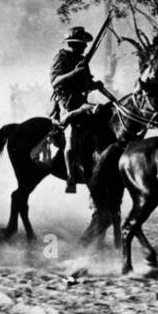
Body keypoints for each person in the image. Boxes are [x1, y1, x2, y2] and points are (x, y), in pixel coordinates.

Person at [50, 25, 101, 193]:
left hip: (81, 103)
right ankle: (71, 179)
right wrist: (74, 72)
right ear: (73, 44)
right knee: (71, 139)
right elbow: (55, 81)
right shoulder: (61, 57)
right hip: (65, 104)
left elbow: (85, 83)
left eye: (85, 44)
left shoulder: (82, 61)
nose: (85, 46)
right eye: (81, 44)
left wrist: (95, 85)